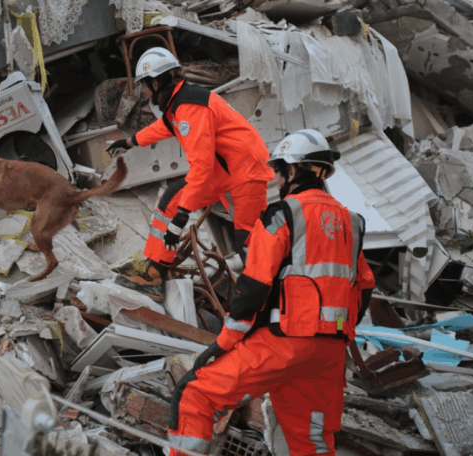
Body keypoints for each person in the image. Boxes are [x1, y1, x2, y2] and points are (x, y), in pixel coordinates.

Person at [167, 130, 376, 456]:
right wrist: (337, 332)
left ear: (293, 170)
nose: (277, 179)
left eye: (279, 171)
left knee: (196, 395)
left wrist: (223, 343)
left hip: (283, 343)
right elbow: (365, 286)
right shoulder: (353, 222)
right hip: (330, 354)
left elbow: (254, 286)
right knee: (312, 441)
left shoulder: (282, 214)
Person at [107, 47, 274, 303]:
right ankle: (155, 273)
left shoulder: (189, 107)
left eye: (144, 85)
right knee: (171, 200)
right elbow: (165, 127)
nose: (144, 92)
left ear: (155, 83)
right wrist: (130, 142)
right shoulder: (181, 102)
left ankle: (266, 300)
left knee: (249, 242)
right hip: (228, 170)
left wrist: (182, 216)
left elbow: (201, 165)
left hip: (243, 173)